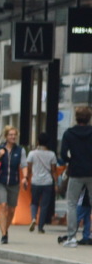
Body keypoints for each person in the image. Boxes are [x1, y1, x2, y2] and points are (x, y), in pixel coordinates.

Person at [58, 105, 92, 248]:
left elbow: (63, 155)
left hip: (76, 172)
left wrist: (71, 160)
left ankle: (71, 237)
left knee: (72, 204)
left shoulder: (69, 134)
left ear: (76, 118)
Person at [0, 126, 26, 244]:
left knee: (12, 209)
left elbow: (24, 165)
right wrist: (0, 155)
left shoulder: (20, 150)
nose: (13, 137)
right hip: (1, 182)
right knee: (3, 205)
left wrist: (25, 178)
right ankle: (4, 234)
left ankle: (5, 229)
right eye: (10, 135)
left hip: (14, 182)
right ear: (6, 136)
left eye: (14, 135)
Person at [26, 133, 58, 234]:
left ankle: (33, 218)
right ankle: (41, 227)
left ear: (38, 142)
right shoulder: (52, 154)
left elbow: (29, 169)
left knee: (34, 202)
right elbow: (53, 171)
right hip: (47, 182)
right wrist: (56, 184)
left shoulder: (32, 154)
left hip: (35, 181)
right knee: (44, 205)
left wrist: (27, 178)